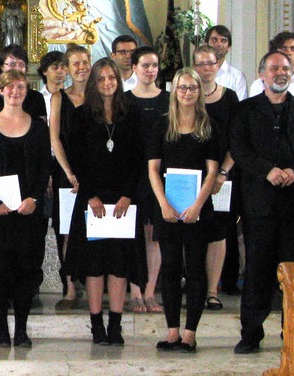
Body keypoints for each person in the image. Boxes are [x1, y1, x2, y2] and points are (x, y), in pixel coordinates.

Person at [231, 51, 294, 354]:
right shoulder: (245, 111)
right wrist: (267, 170)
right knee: (257, 271)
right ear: (262, 75)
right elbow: (239, 149)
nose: (280, 73)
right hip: (260, 204)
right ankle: (250, 334)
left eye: (285, 68)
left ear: (291, 73)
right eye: (274, 69)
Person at [0, 69, 51, 348]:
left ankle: (21, 329)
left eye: (20, 87)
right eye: (10, 87)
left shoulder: (39, 127)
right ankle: (1, 330)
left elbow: (44, 167)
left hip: (27, 212)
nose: (15, 92)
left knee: (25, 272)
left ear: (26, 91)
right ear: (1, 91)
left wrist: (34, 198)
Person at [66, 57, 140, 346]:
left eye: (112, 78)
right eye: (102, 79)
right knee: (95, 265)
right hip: (93, 199)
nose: (108, 83)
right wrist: (90, 195)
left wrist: (127, 195)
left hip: (123, 200)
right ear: (94, 84)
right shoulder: (82, 115)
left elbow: (138, 159)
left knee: (119, 265)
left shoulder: (130, 113)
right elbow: (77, 159)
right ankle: (97, 325)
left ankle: (116, 325)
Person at [149, 68, 219, 353]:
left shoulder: (209, 125)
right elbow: (153, 169)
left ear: (199, 92)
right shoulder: (161, 124)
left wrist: (197, 206)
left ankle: (190, 333)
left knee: (196, 269)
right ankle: (172, 332)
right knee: (170, 268)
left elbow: (212, 172)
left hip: (197, 209)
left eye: (192, 88)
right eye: (182, 88)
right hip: (167, 209)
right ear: (174, 91)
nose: (187, 93)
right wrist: (164, 203)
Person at [193, 45, 240, 311]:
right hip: (190, 175)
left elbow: (238, 140)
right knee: (192, 230)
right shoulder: (186, 94)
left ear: (218, 64)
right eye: (200, 64)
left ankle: (213, 290)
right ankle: (195, 286)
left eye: (210, 63)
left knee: (218, 232)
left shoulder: (230, 98)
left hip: (222, 176)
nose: (205, 68)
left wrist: (223, 172)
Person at [123, 46, 169, 314]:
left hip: (162, 174)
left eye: (154, 65)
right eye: (145, 65)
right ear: (134, 68)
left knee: (155, 233)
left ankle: (150, 291)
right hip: (133, 172)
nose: (150, 70)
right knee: (133, 231)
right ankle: (135, 290)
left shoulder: (169, 99)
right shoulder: (125, 100)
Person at [50, 44, 91, 310]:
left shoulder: (100, 96)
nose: (80, 67)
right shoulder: (58, 98)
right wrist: (68, 172)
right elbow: (54, 136)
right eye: (74, 63)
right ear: (67, 67)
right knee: (66, 231)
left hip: (94, 172)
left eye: (84, 62)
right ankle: (70, 289)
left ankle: (94, 282)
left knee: (93, 230)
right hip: (66, 172)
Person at [248, 32, 294, 111]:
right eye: (284, 48)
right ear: (275, 51)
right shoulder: (258, 84)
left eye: (293, 48)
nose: (288, 52)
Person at [0, 44, 46, 119]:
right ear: (1, 67)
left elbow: (41, 127)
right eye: (12, 64)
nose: (17, 68)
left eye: (21, 65)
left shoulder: (36, 98)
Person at [206, 25, 248, 100]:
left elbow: (241, 108)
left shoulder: (237, 77)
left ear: (229, 47)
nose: (219, 44)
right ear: (206, 44)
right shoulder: (197, 74)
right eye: (214, 40)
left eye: (223, 41)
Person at [37, 50, 66, 122]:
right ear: (44, 71)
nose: (60, 71)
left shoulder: (70, 96)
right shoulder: (38, 98)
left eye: (63, 67)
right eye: (55, 68)